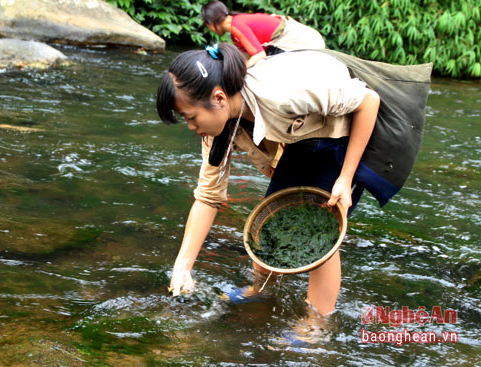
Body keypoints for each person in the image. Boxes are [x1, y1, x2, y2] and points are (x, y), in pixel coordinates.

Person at [156, 42, 388, 316]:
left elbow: (369, 101)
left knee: (318, 227)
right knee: (270, 219)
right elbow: (207, 197)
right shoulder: (216, 128)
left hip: (344, 134)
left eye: (191, 117)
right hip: (301, 139)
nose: (191, 127)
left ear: (219, 98)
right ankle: (261, 288)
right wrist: (182, 267)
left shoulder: (281, 93)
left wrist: (345, 177)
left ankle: (317, 322)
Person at [201, 1, 325, 67]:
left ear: (211, 23)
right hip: (295, 40)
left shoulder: (237, 25)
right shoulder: (235, 32)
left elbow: (260, 55)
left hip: (300, 41)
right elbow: (246, 57)